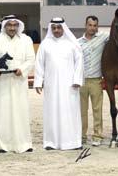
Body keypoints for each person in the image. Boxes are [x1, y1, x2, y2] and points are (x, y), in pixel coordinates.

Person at [0, 15, 35, 153]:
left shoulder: (26, 40)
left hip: (19, 83)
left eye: (15, 25)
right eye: (9, 25)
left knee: (20, 112)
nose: (12, 28)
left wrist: (23, 70)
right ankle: (1, 145)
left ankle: (23, 143)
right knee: (1, 113)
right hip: (1, 84)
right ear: (4, 26)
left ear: (18, 26)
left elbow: (31, 59)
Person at [34, 17, 83, 150]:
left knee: (70, 112)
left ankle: (72, 142)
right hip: (51, 85)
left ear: (63, 28)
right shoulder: (45, 44)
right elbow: (39, 63)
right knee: (52, 112)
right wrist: (38, 81)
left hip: (70, 87)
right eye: (54, 28)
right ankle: (51, 142)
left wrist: (77, 80)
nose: (56, 30)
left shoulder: (72, 44)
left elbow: (79, 63)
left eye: (59, 27)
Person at [78, 15, 108, 146]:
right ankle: (81, 136)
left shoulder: (103, 38)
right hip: (81, 81)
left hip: (96, 81)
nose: (92, 28)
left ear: (97, 27)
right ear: (85, 25)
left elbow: (115, 32)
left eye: (95, 25)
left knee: (97, 110)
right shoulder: (77, 42)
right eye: (90, 25)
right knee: (81, 111)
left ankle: (97, 136)